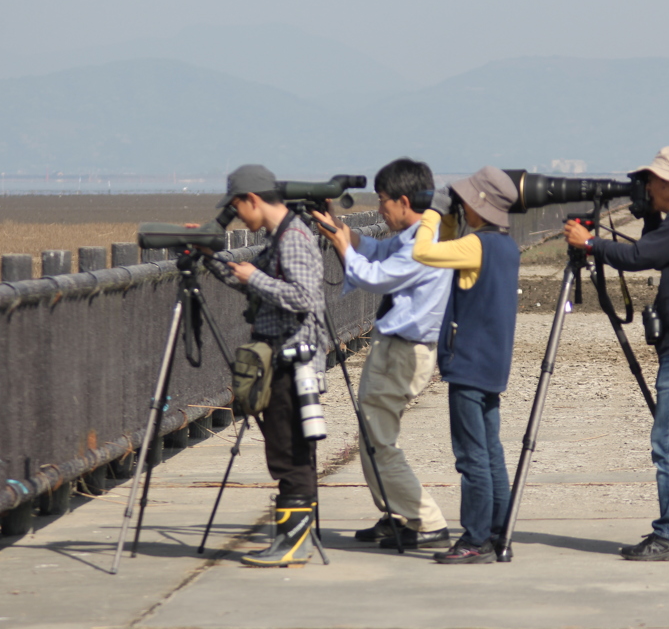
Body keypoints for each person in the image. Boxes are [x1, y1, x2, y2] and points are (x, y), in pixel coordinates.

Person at [563, 145, 669, 562]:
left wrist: (590, 244)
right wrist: (651, 215)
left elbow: (641, 256)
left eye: (652, 181)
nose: (645, 186)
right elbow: (658, 247)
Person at [311, 158, 453, 550]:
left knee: (378, 441)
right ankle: (399, 514)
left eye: (383, 200)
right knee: (373, 435)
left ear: (404, 201)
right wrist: (338, 226)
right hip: (397, 348)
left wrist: (341, 245)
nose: (380, 210)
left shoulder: (426, 243)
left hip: (404, 351)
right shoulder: (417, 232)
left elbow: (375, 276)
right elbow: (376, 250)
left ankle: (426, 520)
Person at [200, 164, 328, 567]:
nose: (238, 218)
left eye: (238, 209)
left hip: (293, 361)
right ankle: (296, 538)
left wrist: (254, 278)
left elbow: (305, 297)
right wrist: (208, 255)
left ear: (253, 200)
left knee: (290, 453)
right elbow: (248, 279)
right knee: (288, 450)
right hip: (282, 358)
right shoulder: (280, 236)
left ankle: (293, 543)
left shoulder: (292, 239)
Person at [412, 166, 520, 564]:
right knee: (491, 452)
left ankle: (473, 538)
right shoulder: (507, 247)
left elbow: (423, 251)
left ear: (480, 205)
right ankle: (498, 533)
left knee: (471, 456)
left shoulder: (476, 246)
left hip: (468, 367)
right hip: (492, 366)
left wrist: (435, 212)